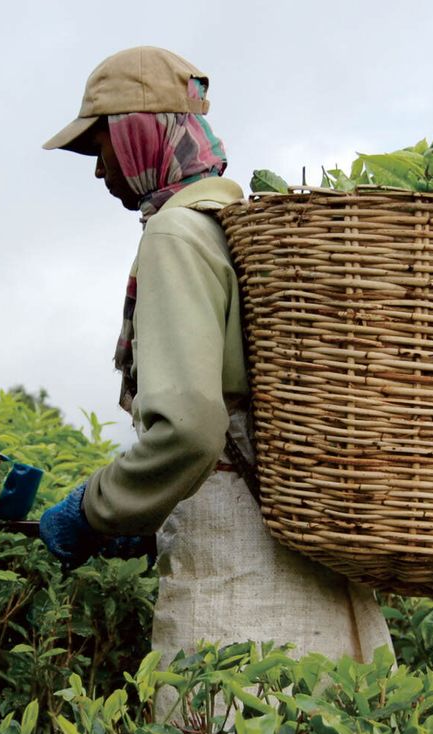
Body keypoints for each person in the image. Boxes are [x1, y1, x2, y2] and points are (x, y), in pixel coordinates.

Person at [38, 46, 391, 683]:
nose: (99, 172)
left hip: (238, 561)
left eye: (102, 147)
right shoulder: (235, 224)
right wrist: (145, 520)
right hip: (302, 539)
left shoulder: (176, 234)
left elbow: (192, 430)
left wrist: (96, 510)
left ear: (139, 134)